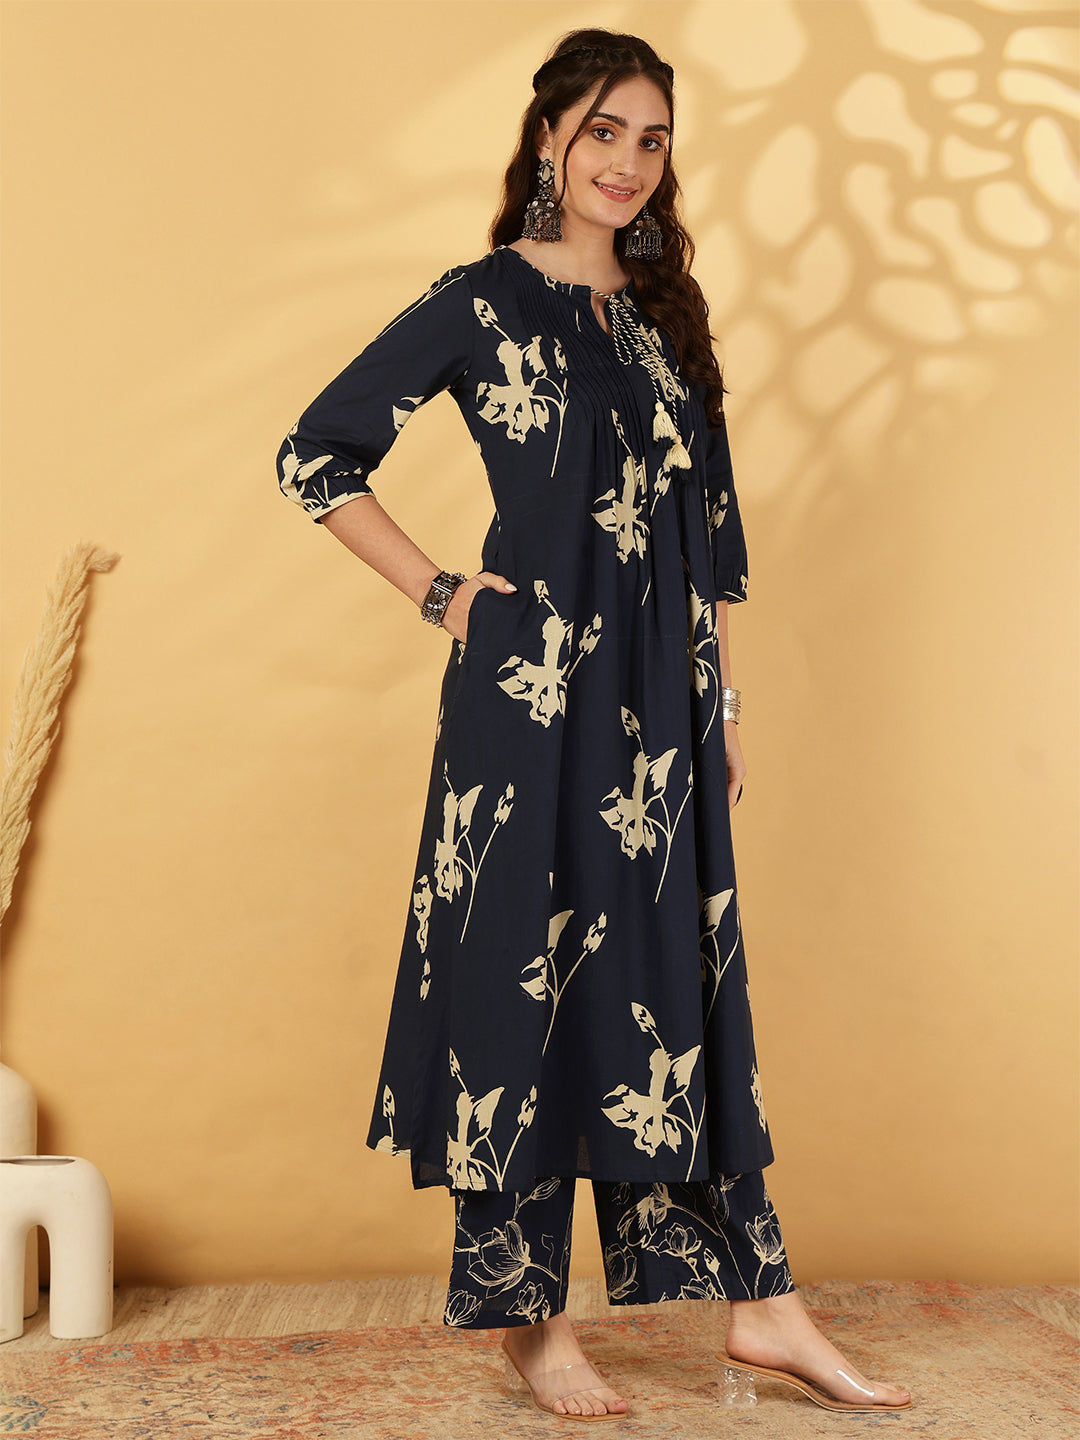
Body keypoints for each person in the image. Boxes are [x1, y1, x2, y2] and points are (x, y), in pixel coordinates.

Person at [277, 28, 911, 1421]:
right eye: (605, 131)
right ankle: (531, 1318)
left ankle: (763, 1304)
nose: (628, 163)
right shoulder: (482, 301)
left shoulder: (668, 312)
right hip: (528, 703)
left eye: (653, 140)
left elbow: (714, 535)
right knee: (521, 983)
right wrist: (443, 593)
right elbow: (313, 454)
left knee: (677, 986)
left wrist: (719, 705)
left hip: (661, 714)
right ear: (550, 137)